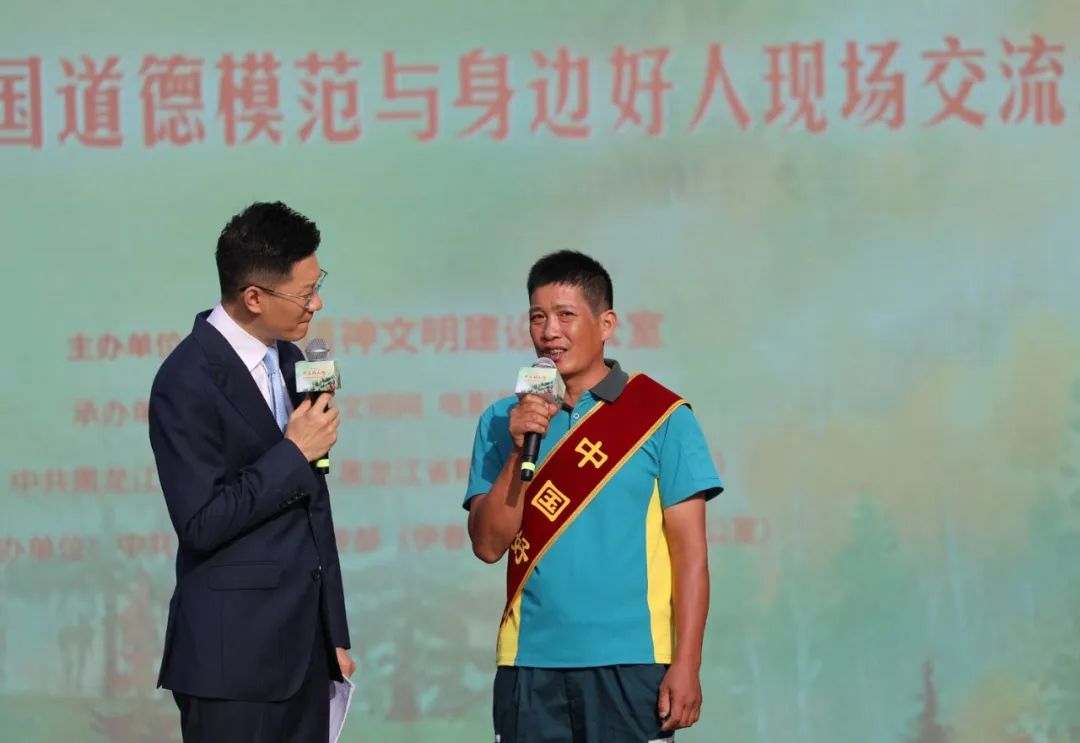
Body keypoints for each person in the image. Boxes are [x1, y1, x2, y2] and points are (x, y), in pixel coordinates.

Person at [465, 250, 723, 742]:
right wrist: (518, 450)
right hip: (529, 662)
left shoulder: (662, 417)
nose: (550, 332)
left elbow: (690, 555)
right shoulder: (502, 420)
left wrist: (687, 662)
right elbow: (488, 545)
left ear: (606, 324)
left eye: (566, 315)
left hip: (632, 662)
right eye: (537, 317)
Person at [149, 201, 355, 742]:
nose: (317, 303)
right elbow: (200, 522)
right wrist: (292, 452)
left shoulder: (290, 361)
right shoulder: (186, 378)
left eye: (318, 286)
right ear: (254, 297)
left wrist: (332, 631)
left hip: (304, 653)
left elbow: (313, 507)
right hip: (233, 662)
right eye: (304, 293)